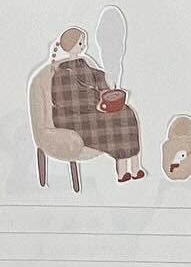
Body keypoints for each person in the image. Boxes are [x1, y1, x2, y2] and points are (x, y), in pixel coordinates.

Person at [47, 27, 144, 182]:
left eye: (83, 42)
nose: (84, 46)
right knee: (113, 120)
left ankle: (135, 167)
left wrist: (106, 82)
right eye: (80, 43)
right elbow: (70, 99)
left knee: (126, 112)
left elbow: (96, 75)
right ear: (71, 46)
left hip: (92, 108)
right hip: (74, 117)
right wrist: (97, 102)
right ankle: (122, 171)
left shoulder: (82, 63)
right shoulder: (62, 73)